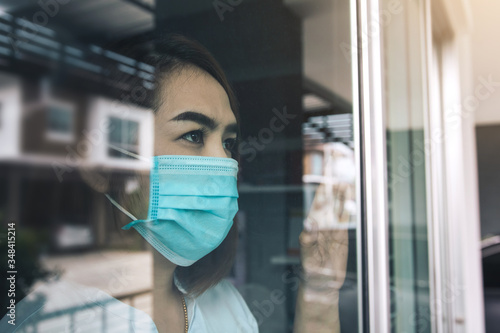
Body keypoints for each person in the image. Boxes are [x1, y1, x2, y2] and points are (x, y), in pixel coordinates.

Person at [1, 34, 350, 333]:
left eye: (228, 143)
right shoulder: (47, 324)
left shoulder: (226, 308)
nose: (224, 163)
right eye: (193, 135)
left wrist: (319, 298)